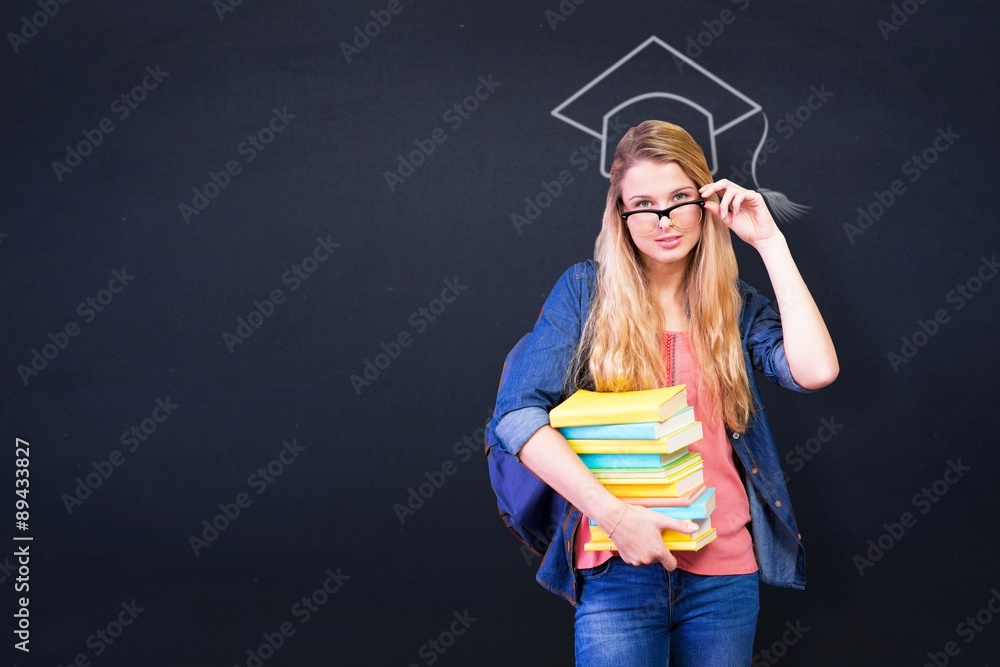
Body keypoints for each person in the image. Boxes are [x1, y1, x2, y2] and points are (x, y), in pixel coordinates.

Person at [488, 120, 838, 666]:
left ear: (705, 202)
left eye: (680, 198)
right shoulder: (586, 291)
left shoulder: (735, 304)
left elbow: (814, 370)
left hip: (724, 573)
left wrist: (770, 242)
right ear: (622, 216)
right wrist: (616, 518)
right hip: (616, 566)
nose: (664, 220)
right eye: (644, 204)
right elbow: (515, 417)